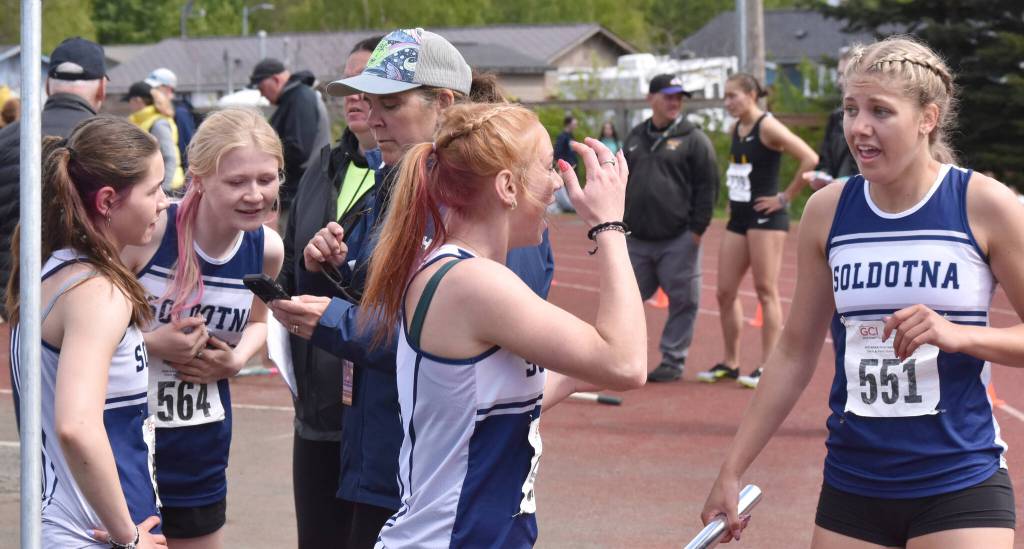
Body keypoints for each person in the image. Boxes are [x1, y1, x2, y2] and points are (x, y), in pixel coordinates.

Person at [701, 36, 1018, 548]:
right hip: (854, 484)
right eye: (850, 109)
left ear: (927, 118)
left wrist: (956, 335)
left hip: (959, 480)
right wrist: (732, 467)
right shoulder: (828, 211)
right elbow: (795, 348)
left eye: (880, 111)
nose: (858, 127)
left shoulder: (982, 205)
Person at [268, 28, 555, 548]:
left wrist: (335, 323)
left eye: (391, 104)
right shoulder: (397, 182)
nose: (371, 117)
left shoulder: (495, 201)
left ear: (444, 103)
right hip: (379, 452)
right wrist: (323, 269)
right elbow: (384, 296)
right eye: (369, 101)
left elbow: (493, 330)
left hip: (443, 479)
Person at [360, 102, 645, 547]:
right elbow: (627, 364)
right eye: (548, 168)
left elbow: (480, 408)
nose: (556, 184)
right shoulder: (471, 282)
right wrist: (609, 225)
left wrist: (573, 373)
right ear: (508, 186)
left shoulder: (462, 272)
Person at [121, 108, 284, 548]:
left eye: (266, 180)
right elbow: (85, 336)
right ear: (199, 178)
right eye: (236, 182)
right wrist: (154, 344)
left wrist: (234, 359)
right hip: (126, 443)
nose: (254, 195)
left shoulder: (266, 248)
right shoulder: (150, 234)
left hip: (200, 445)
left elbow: (259, 320)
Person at [7, 116, 168, 548]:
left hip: (69, 522)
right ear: (109, 200)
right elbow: (76, 426)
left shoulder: (54, 268)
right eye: (154, 190)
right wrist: (128, 534)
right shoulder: (97, 291)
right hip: (90, 532)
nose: (164, 202)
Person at [277, 35, 380, 548]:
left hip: (379, 408)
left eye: (371, 82)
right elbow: (298, 273)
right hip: (317, 401)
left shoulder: (422, 180)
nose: (356, 95)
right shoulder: (321, 166)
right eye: (348, 83)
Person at [0, 36, 109, 390]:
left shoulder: (8, 139)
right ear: (102, 88)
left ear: (48, 84)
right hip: (96, 304)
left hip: (22, 306)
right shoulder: (115, 145)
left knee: (37, 428)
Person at [698, 73, 817, 388]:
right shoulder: (736, 126)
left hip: (766, 218)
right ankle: (731, 362)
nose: (727, 103)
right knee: (724, 291)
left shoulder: (767, 125)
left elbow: (809, 157)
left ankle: (768, 366)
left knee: (766, 290)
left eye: (732, 96)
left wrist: (784, 198)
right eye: (724, 97)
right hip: (738, 217)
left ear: (751, 94)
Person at [623, 73, 719, 382]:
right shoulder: (635, 137)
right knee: (624, 298)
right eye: (668, 96)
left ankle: (673, 360)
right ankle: (622, 356)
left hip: (678, 237)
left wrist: (697, 229)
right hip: (636, 237)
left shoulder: (695, 139)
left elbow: (708, 187)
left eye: (679, 97)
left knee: (683, 301)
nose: (675, 102)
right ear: (651, 98)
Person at [249, 57, 331, 221]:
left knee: (295, 245)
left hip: (303, 194)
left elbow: (298, 150)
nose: (261, 93)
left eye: (261, 86)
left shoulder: (300, 99)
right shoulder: (296, 98)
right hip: (302, 192)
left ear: (276, 79)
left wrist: (261, 160)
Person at [806, 48, 858, 191]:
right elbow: (825, 159)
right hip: (838, 198)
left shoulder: (880, 120)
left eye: (846, 74)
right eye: (839, 74)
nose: (840, 81)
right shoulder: (836, 117)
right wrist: (822, 176)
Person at [125, 81, 185, 193]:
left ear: (138, 100)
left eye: (130, 101)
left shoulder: (158, 123)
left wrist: (164, 189)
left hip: (167, 187)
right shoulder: (141, 121)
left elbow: (170, 157)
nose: (129, 105)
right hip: (153, 184)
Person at [145, 68, 198, 170]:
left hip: (178, 178)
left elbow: (188, 148)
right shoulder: (159, 110)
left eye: (155, 87)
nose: (151, 91)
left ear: (168, 89)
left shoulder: (180, 112)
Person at [550, 114, 578, 212]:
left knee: (571, 186)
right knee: (562, 187)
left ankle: (571, 205)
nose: (575, 126)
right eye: (574, 124)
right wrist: (559, 162)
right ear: (568, 124)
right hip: (565, 166)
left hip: (572, 165)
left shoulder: (571, 136)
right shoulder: (562, 137)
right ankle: (566, 206)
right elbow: (557, 151)